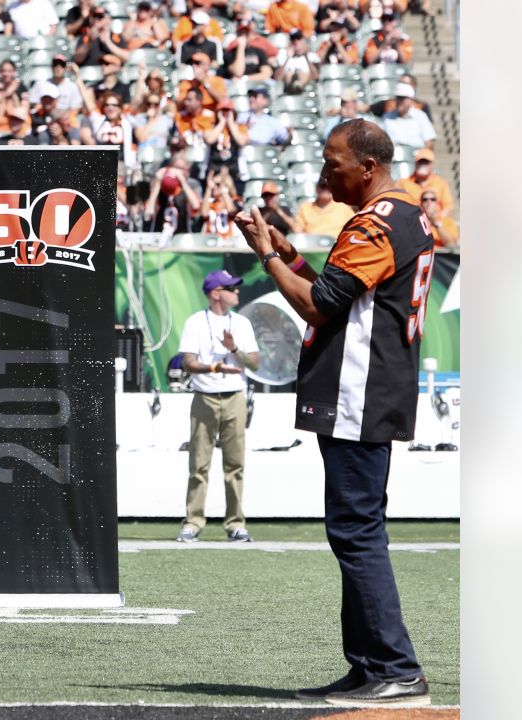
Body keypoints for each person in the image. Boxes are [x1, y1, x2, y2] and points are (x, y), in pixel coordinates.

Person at [234, 119, 431, 707]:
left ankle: (396, 667)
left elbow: (319, 308)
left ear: (367, 167)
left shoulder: (378, 222)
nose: (324, 174)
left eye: (333, 162)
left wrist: (269, 258)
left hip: (360, 390)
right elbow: (338, 294)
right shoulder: (405, 214)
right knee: (355, 529)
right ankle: (370, 665)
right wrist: (286, 250)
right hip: (370, 387)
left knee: (357, 530)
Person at [174, 269, 259, 543]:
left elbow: (255, 363)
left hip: (235, 396)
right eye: (230, 288)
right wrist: (213, 366)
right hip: (205, 397)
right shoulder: (196, 322)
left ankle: (235, 524)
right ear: (215, 293)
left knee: (235, 464)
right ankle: (193, 522)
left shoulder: (242, 323)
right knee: (198, 463)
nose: (236, 292)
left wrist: (234, 350)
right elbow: (187, 361)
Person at [396, 148, 454, 217]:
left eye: (426, 162)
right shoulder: (402, 184)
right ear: (415, 163)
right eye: (420, 162)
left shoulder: (441, 183)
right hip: (411, 223)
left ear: (432, 164)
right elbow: (397, 206)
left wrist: (437, 222)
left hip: (435, 223)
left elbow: (448, 206)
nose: (423, 165)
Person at [381, 84, 435, 150]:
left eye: (403, 98)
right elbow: (379, 140)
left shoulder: (421, 116)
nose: (399, 101)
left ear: (411, 100)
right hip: (393, 156)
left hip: (415, 157)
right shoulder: (387, 116)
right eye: (398, 98)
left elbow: (429, 142)